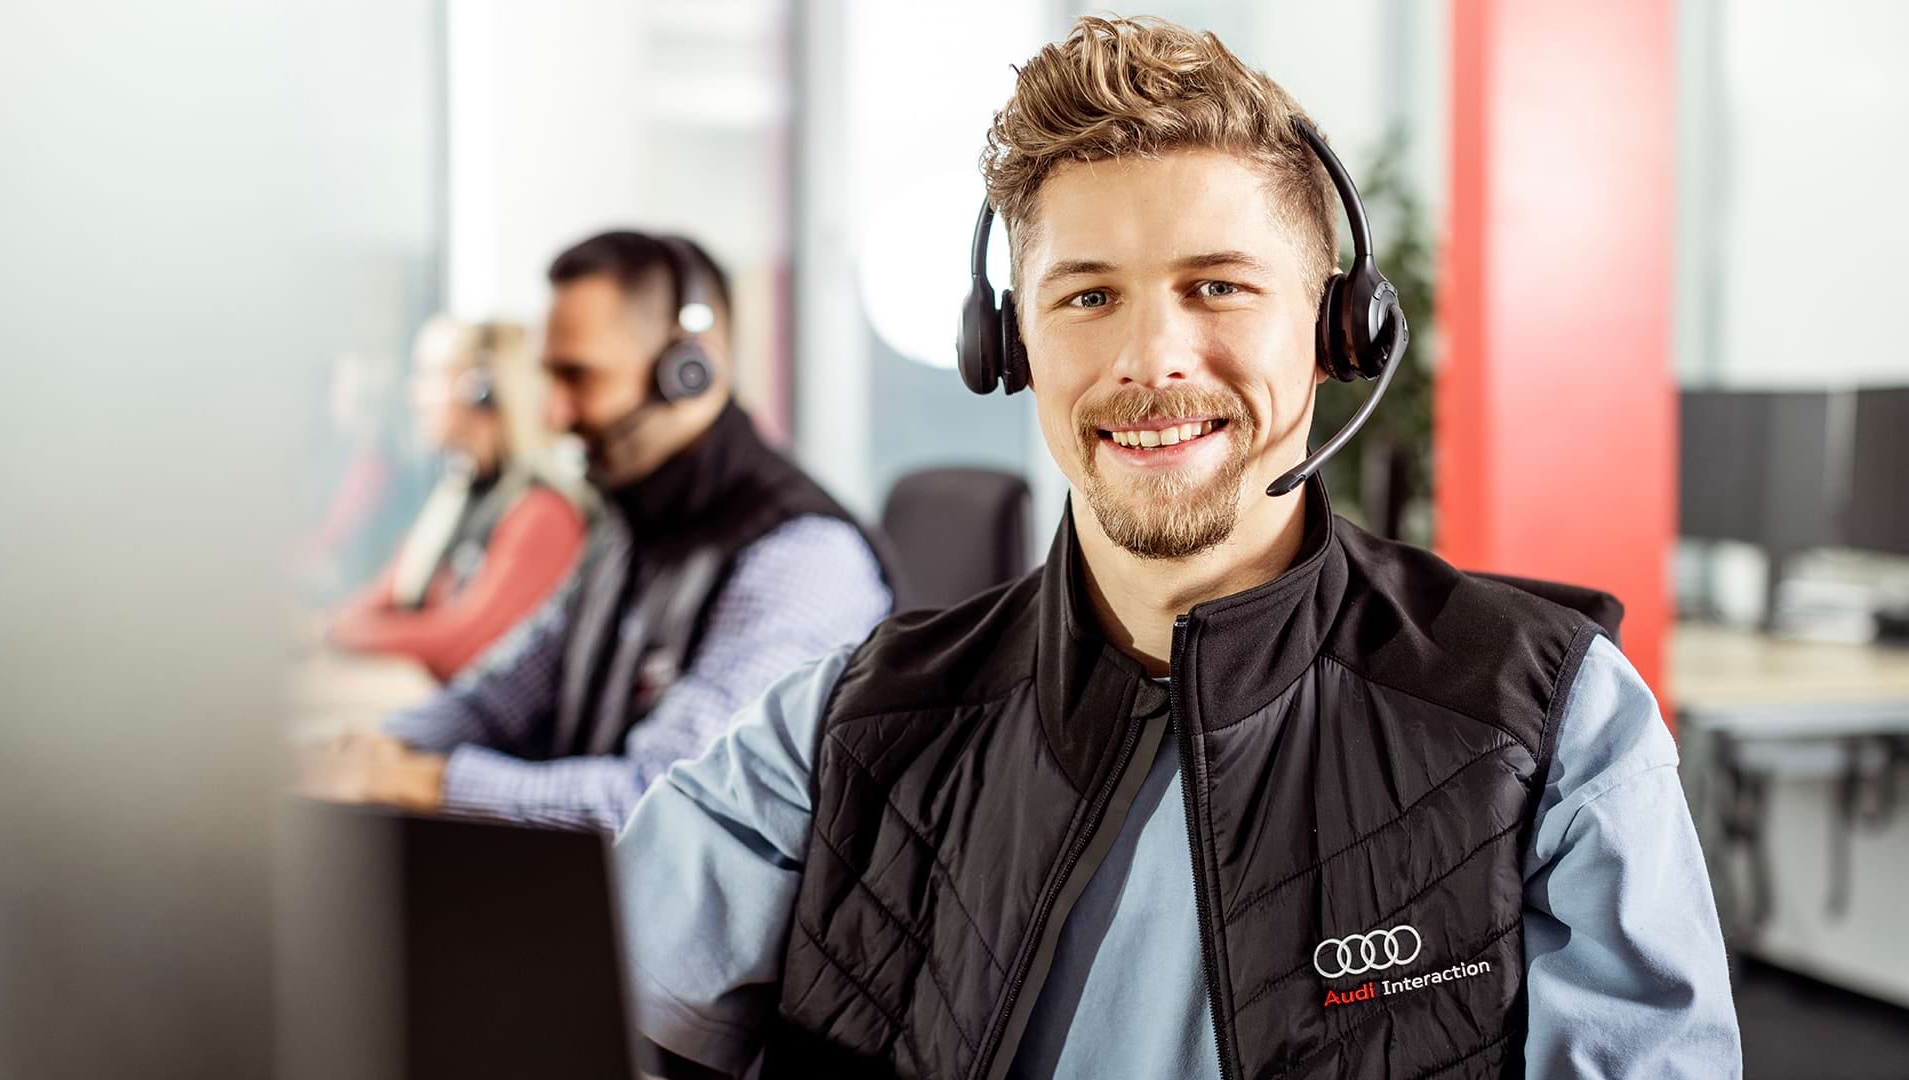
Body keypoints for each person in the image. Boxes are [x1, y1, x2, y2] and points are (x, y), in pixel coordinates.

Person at [617, 16, 1741, 1079]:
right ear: (1010, 350)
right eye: (1089, 295)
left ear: (1335, 330)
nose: (1152, 358)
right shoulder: (841, 729)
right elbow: (555, 1009)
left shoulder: (1549, 721)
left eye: (1217, 287)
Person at [305, 232, 894, 833]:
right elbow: (500, 696)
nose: (554, 414)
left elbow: (664, 798)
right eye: (548, 378)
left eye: (578, 377)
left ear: (689, 371)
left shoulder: (799, 558)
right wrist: (358, 756)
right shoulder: (630, 525)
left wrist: (420, 782)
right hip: (586, 893)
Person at [324, 317, 586, 681]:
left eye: (430, 375)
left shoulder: (542, 512)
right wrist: (342, 625)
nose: (414, 394)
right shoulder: (456, 494)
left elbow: (464, 645)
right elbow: (382, 595)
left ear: (481, 390)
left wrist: (346, 631)